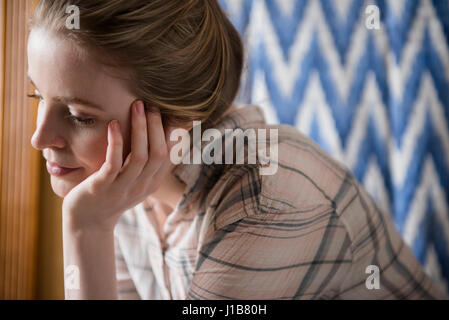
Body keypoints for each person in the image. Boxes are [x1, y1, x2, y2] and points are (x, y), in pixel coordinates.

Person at [27, 0, 448, 300]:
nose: (40, 138)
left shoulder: (265, 201)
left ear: (174, 120)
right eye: (37, 98)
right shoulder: (118, 194)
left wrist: (86, 230)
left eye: (81, 116)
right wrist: (91, 226)